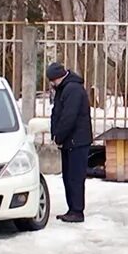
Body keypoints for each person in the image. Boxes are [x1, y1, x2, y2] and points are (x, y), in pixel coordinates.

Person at [47, 62, 93, 223]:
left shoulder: (72, 89)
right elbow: (56, 113)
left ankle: (77, 211)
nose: (51, 84)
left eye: (52, 81)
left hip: (76, 141)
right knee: (68, 176)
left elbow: (68, 117)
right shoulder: (64, 89)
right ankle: (72, 209)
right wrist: (55, 134)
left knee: (75, 177)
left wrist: (59, 136)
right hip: (70, 141)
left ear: (57, 78)